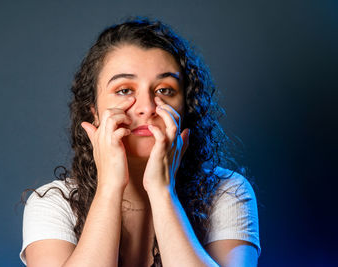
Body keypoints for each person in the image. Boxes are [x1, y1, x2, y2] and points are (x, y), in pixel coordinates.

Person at [20, 17, 261, 267]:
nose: (147, 108)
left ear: (186, 107)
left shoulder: (227, 192)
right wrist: (109, 188)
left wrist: (162, 192)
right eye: (125, 90)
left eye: (164, 90)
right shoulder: (51, 203)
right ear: (93, 110)